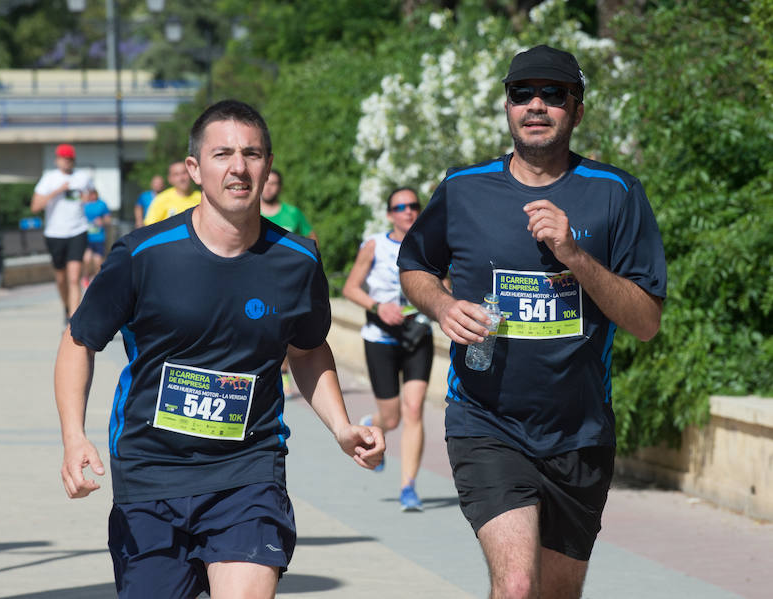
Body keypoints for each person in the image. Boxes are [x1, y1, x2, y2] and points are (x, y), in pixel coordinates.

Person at [54, 99, 385, 599]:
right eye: (223, 153)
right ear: (195, 168)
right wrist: (74, 436)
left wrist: (341, 426)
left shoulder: (296, 261)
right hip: (150, 473)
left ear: (268, 166)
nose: (238, 167)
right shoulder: (142, 255)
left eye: (252, 154)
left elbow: (309, 350)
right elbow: (79, 341)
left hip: (248, 472)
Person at [397, 45, 667, 598]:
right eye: (523, 94)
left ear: (578, 110)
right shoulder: (464, 188)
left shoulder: (615, 194)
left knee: (556, 593)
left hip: (580, 431)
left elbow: (646, 321)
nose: (536, 105)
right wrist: (445, 306)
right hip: (486, 422)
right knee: (517, 585)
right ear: (507, 106)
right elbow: (415, 267)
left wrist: (576, 256)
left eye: (553, 95)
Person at [342, 187, 433, 512]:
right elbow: (350, 288)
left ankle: (408, 486)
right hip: (380, 337)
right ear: (389, 214)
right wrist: (379, 307)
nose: (408, 211)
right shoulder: (375, 246)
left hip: (416, 335)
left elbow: (445, 284)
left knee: (414, 409)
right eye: (400, 207)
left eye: (413, 206)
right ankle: (375, 422)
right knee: (392, 417)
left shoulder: (430, 244)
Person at [260, 169, 317, 398]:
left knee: (284, 328)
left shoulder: (292, 214)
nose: (270, 187)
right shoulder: (250, 213)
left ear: (280, 187)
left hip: (286, 282)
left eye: (274, 183)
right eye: (267, 182)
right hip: (256, 279)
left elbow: (310, 239)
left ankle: (283, 373)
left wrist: (310, 267)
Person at [30, 143, 93, 321]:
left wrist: (88, 198)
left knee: (74, 277)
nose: (66, 162)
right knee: (61, 278)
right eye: (63, 159)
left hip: (78, 230)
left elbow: (91, 196)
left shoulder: (83, 177)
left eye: (69, 159)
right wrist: (58, 191)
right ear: (57, 160)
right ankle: (66, 306)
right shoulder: (49, 179)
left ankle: (74, 318)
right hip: (55, 233)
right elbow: (35, 206)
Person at [142, 160, 202, 225]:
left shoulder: (202, 198)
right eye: (176, 174)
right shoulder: (161, 199)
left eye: (184, 173)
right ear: (170, 179)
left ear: (191, 174)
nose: (181, 178)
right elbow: (149, 228)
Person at [81, 184, 111, 288]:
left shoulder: (102, 204)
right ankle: (85, 277)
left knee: (98, 261)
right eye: (90, 194)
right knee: (87, 259)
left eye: (94, 194)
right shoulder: (83, 204)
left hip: (99, 237)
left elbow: (108, 220)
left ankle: (96, 280)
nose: (92, 196)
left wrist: (101, 221)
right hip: (86, 237)